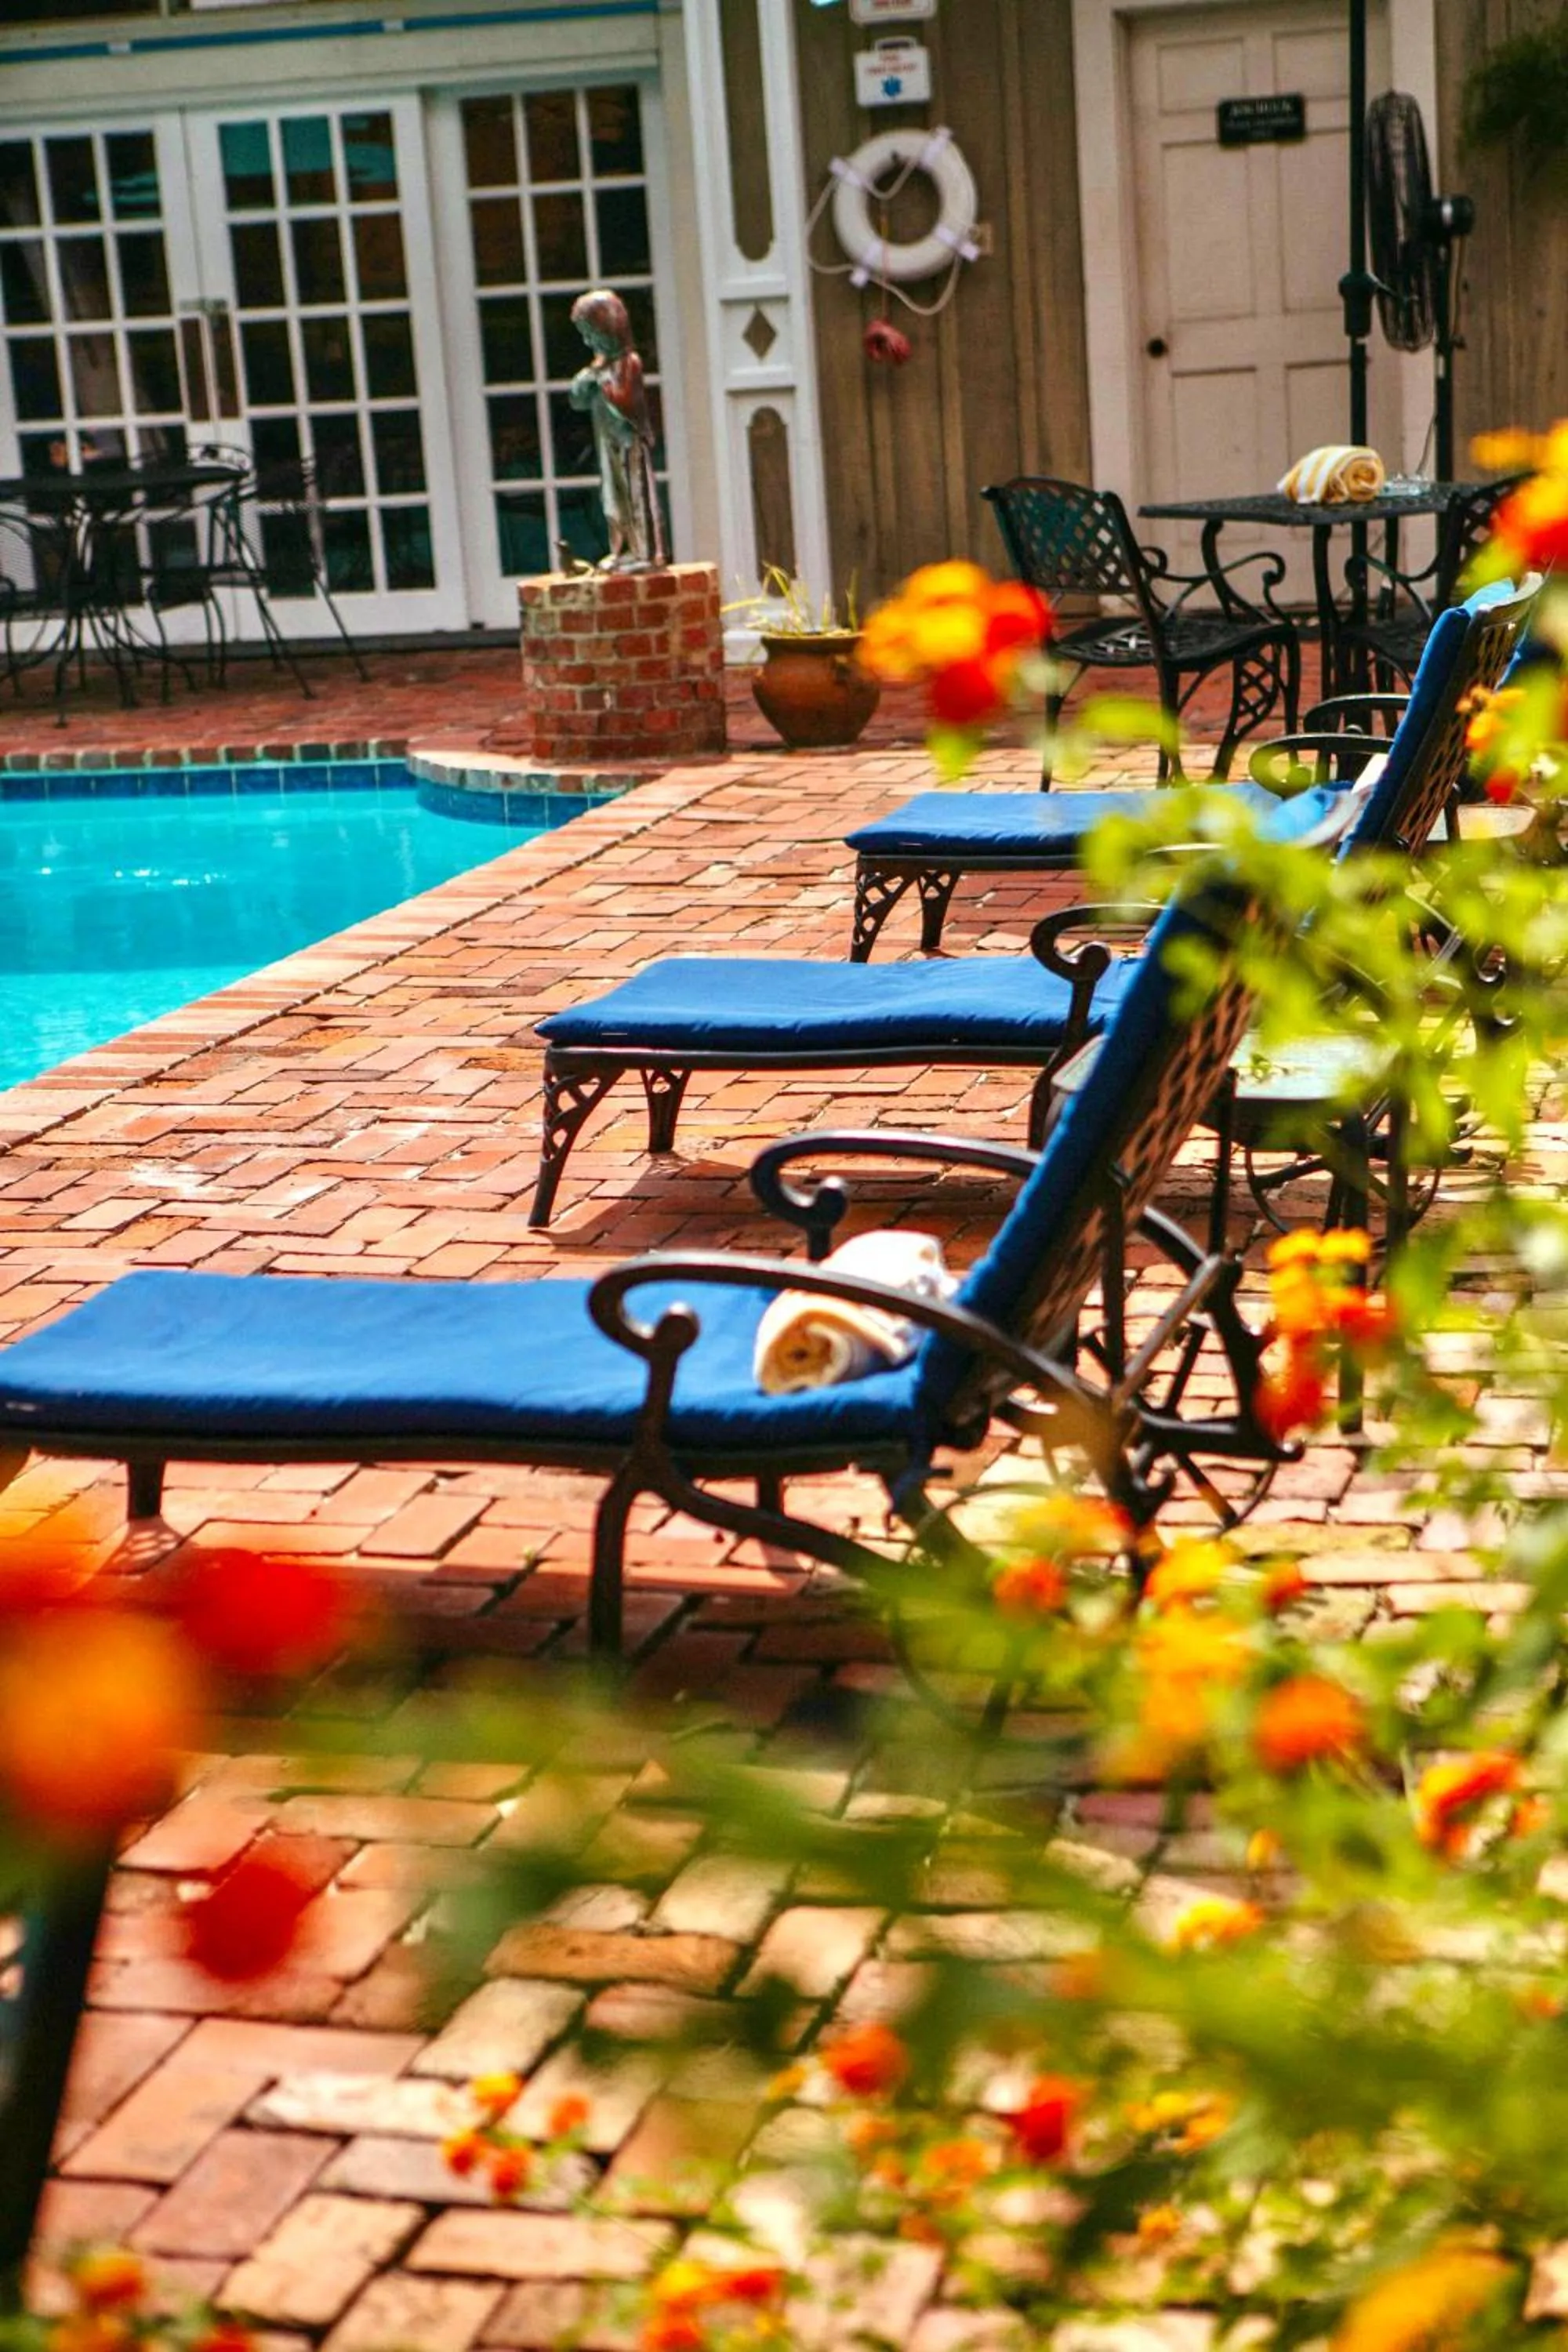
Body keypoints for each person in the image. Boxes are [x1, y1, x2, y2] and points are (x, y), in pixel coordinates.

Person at [568, 288, 666, 571]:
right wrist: (584, 384)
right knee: (613, 498)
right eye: (585, 335)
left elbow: (628, 401)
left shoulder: (628, 363)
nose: (589, 341)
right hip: (606, 441)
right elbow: (577, 402)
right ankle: (621, 547)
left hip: (628, 441)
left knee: (636, 495)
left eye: (593, 334)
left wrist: (606, 389)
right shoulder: (599, 365)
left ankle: (646, 552)